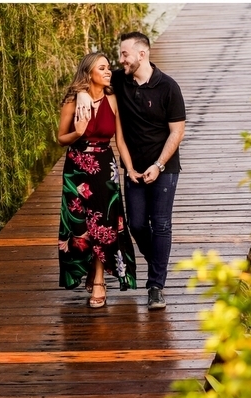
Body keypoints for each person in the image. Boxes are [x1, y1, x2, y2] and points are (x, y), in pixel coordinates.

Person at [79, 32, 185, 310]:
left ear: (142, 54)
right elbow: (89, 76)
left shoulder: (169, 87)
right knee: (137, 224)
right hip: (133, 170)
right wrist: (80, 94)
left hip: (164, 168)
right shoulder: (120, 81)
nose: (120, 60)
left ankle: (156, 286)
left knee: (160, 224)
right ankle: (159, 264)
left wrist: (158, 165)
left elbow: (177, 132)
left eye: (125, 54)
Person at [57, 52, 138, 308]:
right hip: (76, 169)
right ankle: (90, 269)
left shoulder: (112, 99)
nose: (107, 71)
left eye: (107, 68)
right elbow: (60, 138)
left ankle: (100, 280)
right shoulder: (73, 101)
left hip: (104, 166)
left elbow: (120, 140)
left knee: (102, 224)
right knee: (80, 224)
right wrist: (77, 133)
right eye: (101, 68)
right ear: (88, 73)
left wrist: (130, 169)